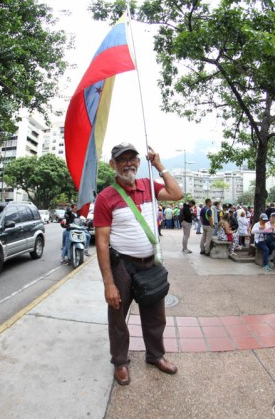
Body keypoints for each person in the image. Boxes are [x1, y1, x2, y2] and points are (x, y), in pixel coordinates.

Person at [93, 142, 182, 386]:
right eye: (123, 159)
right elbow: (101, 243)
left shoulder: (149, 187)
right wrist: (108, 283)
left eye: (133, 158)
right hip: (122, 266)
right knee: (118, 316)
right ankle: (120, 362)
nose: (129, 163)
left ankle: (156, 356)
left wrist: (159, 165)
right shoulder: (105, 198)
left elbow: (177, 194)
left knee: (155, 315)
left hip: (150, 264)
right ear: (113, 164)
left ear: (139, 162)